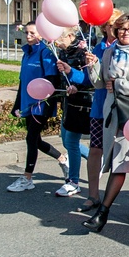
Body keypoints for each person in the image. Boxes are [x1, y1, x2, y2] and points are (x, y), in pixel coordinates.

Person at [82, 12, 129, 233]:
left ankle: (102, 213)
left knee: (121, 163)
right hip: (113, 114)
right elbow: (100, 84)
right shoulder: (109, 52)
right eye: (122, 29)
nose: (126, 32)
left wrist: (120, 85)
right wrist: (93, 66)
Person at [67, 10, 123, 211]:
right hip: (100, 107)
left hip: (122, 108)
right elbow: (89, 80)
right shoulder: (98, 48)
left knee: (125, 153)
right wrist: (70, 71)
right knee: (95, 150)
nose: (114, 29)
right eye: (110, 25)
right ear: (104, 27)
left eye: (117, 25)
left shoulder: (126, 48)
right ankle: (93, 196)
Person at [7, 21, 69, 192]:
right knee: (36, 140)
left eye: (32, 33)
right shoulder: (27, 53)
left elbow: (52, 80)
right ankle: (62, 159)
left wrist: (48, 105)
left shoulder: (45, 52)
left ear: (41, 34)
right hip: (28, 104)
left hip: (41, 104)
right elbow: (22, 81)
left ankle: (27, 178)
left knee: (31, 138)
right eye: (26, 33)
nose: (28, 36)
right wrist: (17, 104)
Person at [53, 25, 92, 197]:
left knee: (71, 142)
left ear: (70, 36)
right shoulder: (62, 52)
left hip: (81, 103)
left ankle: (73, 182)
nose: (56, 42)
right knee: (66, 141)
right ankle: (95, 159)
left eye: (59, 38)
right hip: (67, 101)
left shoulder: (83, 51)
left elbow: (92, 78)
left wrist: (77, 87)